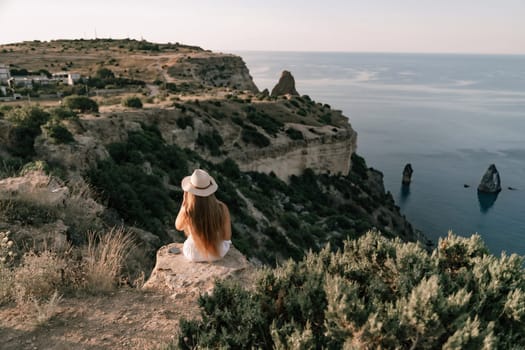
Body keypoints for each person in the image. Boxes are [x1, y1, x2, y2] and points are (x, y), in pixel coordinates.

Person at [175, 169, 232, 262]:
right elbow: (226, 237)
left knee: (189, 240)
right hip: (218, 253)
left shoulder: (188, 210)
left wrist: (184, 204)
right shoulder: (222, 208)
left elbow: (178, 226)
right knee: (225, 242)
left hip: (193, 254)